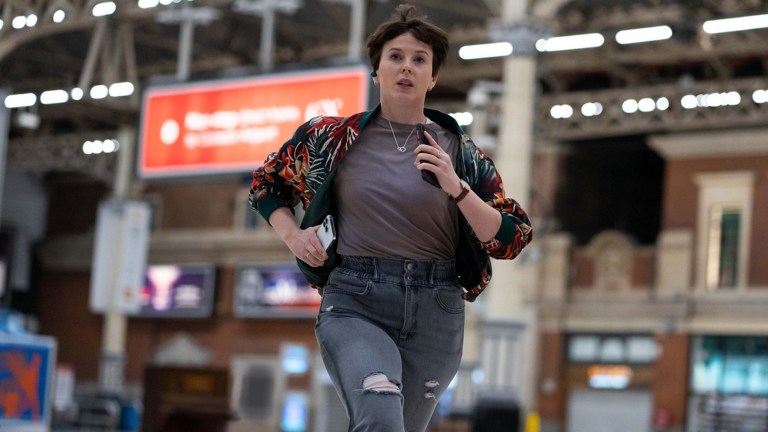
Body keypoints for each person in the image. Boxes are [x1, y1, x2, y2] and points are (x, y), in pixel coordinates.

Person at [249, 4, 532, 431]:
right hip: (356, 299)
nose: (407, 67)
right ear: (376, 70)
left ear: (433, 77)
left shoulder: (460, 152)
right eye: (396, 57)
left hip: (437, 307)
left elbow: (513, 238)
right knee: (381, 417)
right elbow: (265, 184)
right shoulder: (329, 138)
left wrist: (457, 187)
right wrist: (293, 235)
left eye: (420, 60)